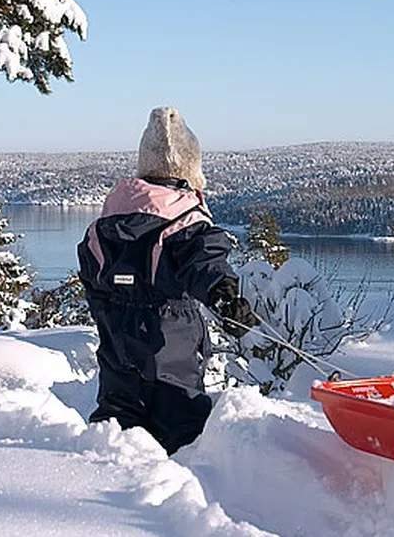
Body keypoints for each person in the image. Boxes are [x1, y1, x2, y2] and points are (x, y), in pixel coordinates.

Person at [77, 106, 261, 454]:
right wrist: (226, 298)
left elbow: (92, 282)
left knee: (115, 435)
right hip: (171, 349)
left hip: (117, 352)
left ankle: (104, 491)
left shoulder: (102, 227)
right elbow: (205, 261)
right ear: (189, 170)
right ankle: (175, 500)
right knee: (184, 438)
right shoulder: (184, 220)